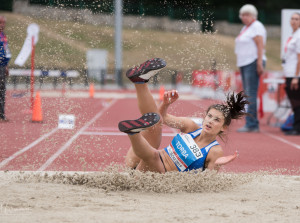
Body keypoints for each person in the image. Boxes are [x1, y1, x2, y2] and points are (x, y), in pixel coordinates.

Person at [118, 58, 249, 173]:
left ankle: (134, 133)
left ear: (223, 128)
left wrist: (217, 165)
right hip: (137, 163)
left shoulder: (215, 151)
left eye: (216, 120)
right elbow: (162, 118)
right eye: (209, 116)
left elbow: (208, 182)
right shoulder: (191, 127)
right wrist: (165, 104)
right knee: (156, 123)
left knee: (152, 155)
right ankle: (140, 82)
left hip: (155, 175)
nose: (210, 121)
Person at [235, 4, 267, 133]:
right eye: (242, 15)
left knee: (250, 94)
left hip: (252, 62)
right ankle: (250, 122)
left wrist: (259, 62)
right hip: (245, 62)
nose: (244, 17)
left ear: (253, 16)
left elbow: (260, 44)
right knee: (247, 94)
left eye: (247, 15)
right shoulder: (245, 28)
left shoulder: (256, 26)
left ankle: (252, 123)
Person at [282, 13, 300, 135]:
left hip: (295, 75)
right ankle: (296, 125)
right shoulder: (292, 35)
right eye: (292, 19)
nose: (294, 21)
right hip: (289, 72)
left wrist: (296, 76)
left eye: (297, 19)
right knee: (294, 102)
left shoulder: (299, 36)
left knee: (297, 101)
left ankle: (297, 127)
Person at [0, 15, 11, 122]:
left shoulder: (3, 35)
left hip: (2, 66)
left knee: (2, 91)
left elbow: (5, 50)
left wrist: (6, 65)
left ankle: (1, 114)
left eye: (3, 23)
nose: (2, 25)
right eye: (0, 23)